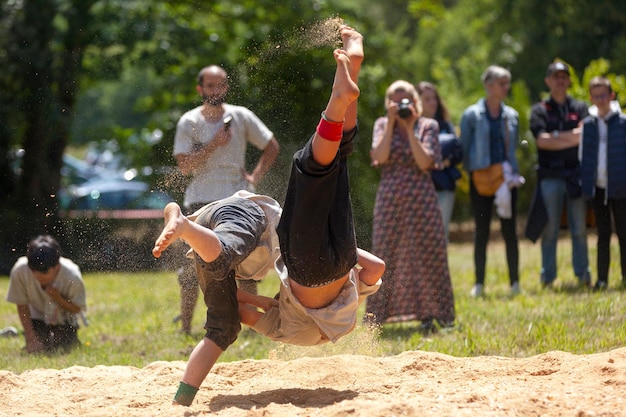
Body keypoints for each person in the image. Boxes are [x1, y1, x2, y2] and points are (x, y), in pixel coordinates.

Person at [152, 25, 383, 406]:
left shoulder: (339, 313)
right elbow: (244, 310)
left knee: (338, 158)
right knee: (309, 168)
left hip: (340, 256)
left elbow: (375, 268)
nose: (214, 91)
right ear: (200, 89)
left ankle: (349, 75)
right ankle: (342, 91)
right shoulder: (285, 327)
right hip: (279, 241)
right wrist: (229, 302)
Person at [172, 63, 280, 334]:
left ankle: (254, 328)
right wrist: (213, 145)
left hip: (238, 200)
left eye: (220, 84)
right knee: (192, 267)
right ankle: (186, 328)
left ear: (226, 87)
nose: (216, 90)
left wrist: (254, 177)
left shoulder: (241, 116)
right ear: (200, 89)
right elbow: (184, 166)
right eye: (210, 85)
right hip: (201, 202)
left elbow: (271, 146)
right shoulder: (189, 122)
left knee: (248, 264)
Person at [366, 79, 455, 332]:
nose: (401, 104)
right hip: (390, 198)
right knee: (385, 254)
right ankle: (377, 319)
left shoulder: (428, 125)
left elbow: (425, 162)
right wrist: (394, 122)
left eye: (406, 100)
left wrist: (410, 126)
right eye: (396, 100)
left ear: (415, 102)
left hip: (422, 199)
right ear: (388, 104)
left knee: (429, 255)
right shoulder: (382, 124)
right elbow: (379, 157)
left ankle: (435, 314)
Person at [460, 65, 521, 298]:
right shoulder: (471, 115)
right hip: (481, 179)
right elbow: (464, 148)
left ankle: (515, 282)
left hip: (506, 178)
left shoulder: (512, 115)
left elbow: (512, 148)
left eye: (507, 82)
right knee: (482, 231)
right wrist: (472, 174)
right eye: (501, 82)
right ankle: (479, 283)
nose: (506, 87)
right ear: (488, 85)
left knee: (510, 230)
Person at [528, 61, 591, 288]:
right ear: (548, 81)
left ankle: (583, 274)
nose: (560, 80)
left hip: (576, 176)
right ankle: (548, 277)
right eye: (556, 77)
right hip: (550, 177)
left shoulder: (580, 107)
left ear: (569, 81)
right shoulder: (539, 110)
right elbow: (542, 142)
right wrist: (570, 136)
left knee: (579, 229)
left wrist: (556, 136)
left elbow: (585, 135)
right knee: (550, 229)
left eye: (564, 77)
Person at [579, 76, 626, 291]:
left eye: (603, 95)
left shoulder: (622, 122)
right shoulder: (588, 125)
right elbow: (584, 155)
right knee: (602, 235)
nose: (600, 100)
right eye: (596, 96)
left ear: (611, 96)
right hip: (597, 187)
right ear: (591, 98)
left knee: (623, 233)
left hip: (620, 186)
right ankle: (602, 279)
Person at [6, 235, 87, 353]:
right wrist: (30, 338)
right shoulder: (20, 271)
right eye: (36, 274)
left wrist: (58, 298)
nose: (41, 279)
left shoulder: (72, 276)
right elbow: (22, 305)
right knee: (39, 348)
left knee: (65, 347)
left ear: (57, 266)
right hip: (37, 317)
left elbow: (77, 309)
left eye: (46, 275)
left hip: (64, 319)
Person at [417, 81, 463, 241]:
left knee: (440, 235)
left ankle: (439, 267)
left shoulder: (446, 125)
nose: (433, 102)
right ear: (418, 101)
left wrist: (444, 163)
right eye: (427, 99)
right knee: (420, 236)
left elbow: (458, 153)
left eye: (434, 98)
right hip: (419, 188)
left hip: (443, 187)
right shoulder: (410, 127)